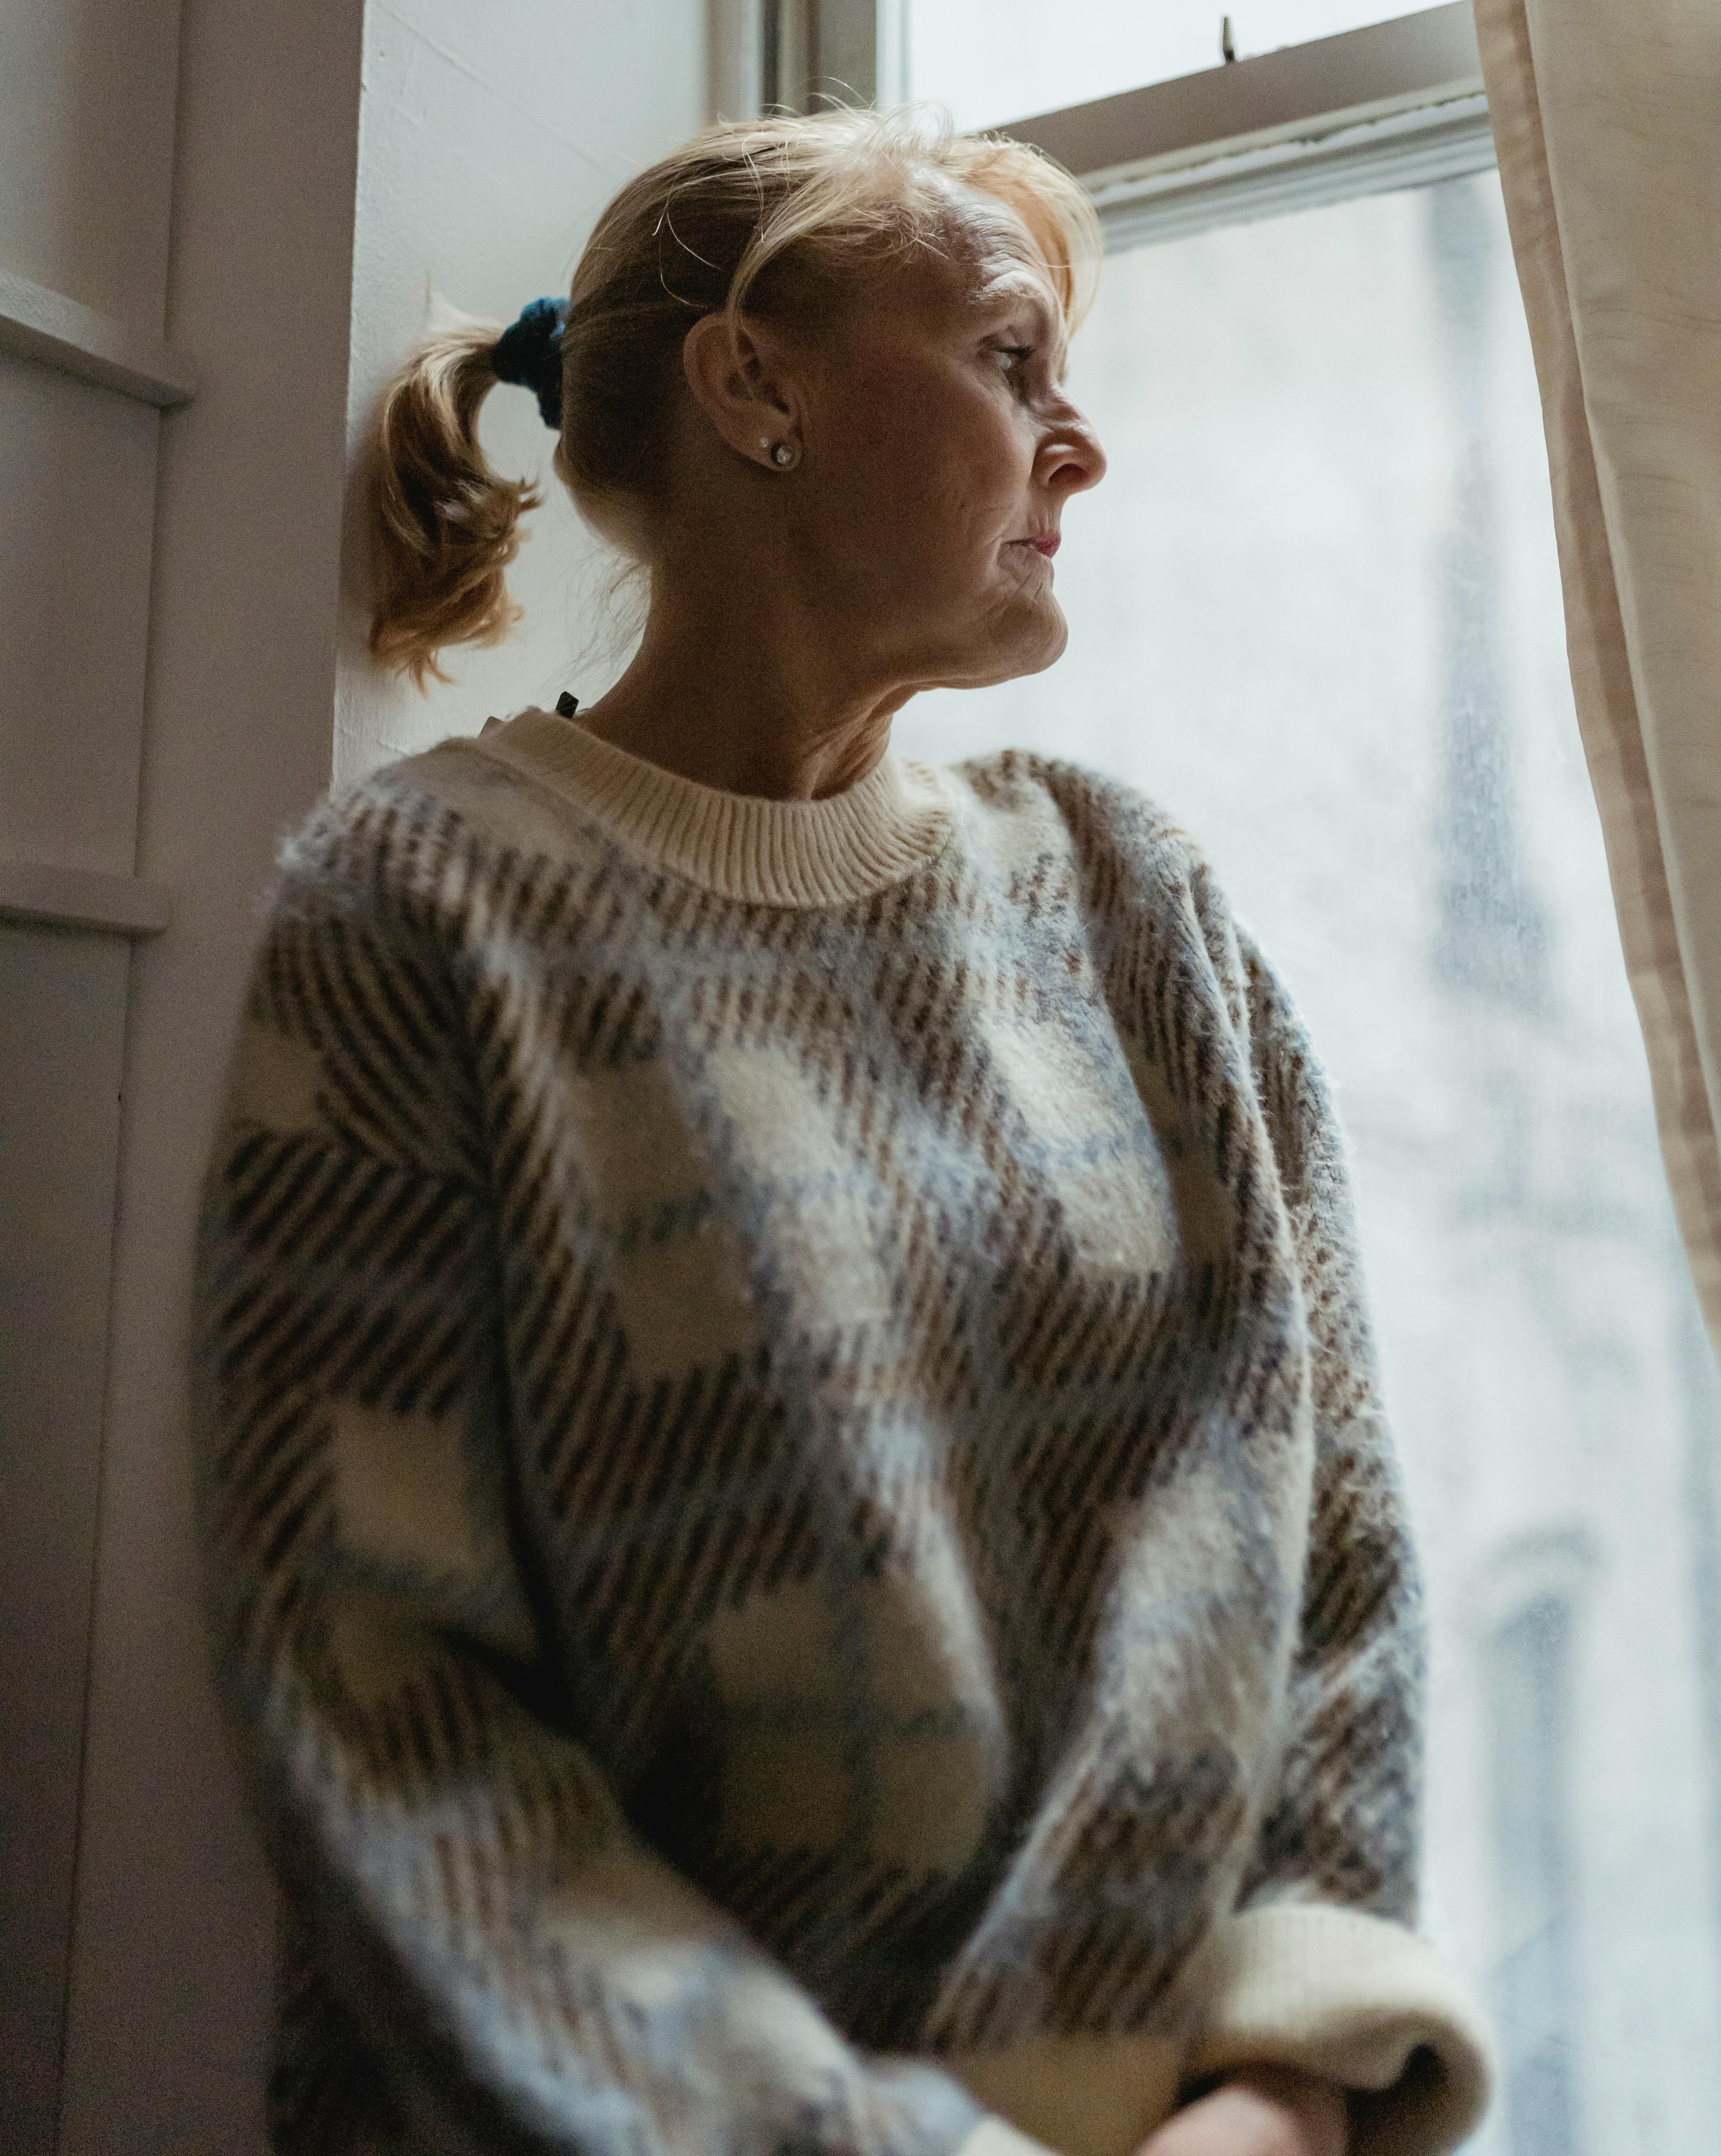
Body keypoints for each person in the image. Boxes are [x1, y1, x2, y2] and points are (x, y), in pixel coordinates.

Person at [194, 107, 1492, 2156]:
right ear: (754, 384)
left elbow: (1333, 1556)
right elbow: (392, 1715)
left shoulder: (1136, 908)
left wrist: (1282, 2095)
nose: (1080, 443)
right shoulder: (417, 913)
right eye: (1006, 359)